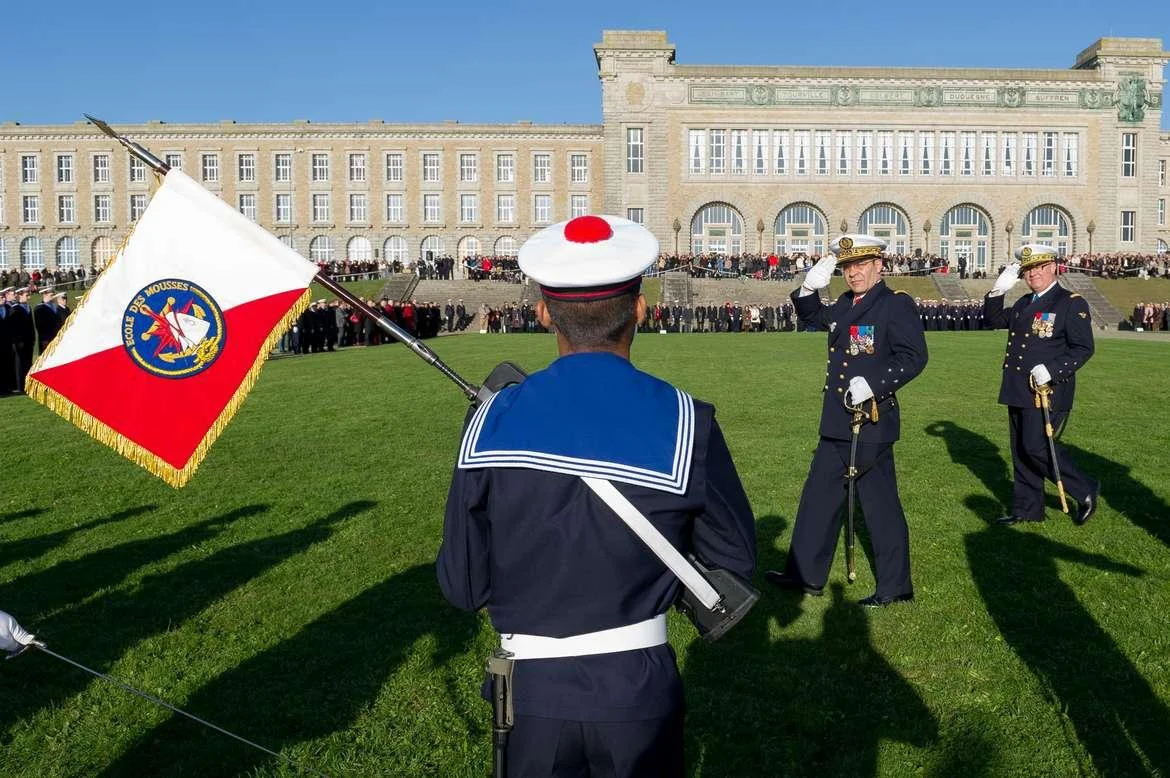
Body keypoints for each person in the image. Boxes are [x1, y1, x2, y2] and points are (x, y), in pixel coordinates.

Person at [437, 214, 756, 777]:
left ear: (541, 311)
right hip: (636, 687)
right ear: (639, 309)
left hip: (528, 695)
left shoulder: (489, 423)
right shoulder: (688, 421)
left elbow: (463, 586)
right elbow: (733, 560)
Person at [767, 234, 927, 607]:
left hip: (870, 422)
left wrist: (873, 384)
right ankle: (805, 575)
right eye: (847, 267)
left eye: (860, 265)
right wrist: (807, 287)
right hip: (837, 419)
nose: (853, 273)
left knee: (879, 504)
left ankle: (895, 585)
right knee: (817, 498)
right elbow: (811, 318)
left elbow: (913, 357)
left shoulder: (893, 304)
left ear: (878, 266)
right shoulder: (843, 303)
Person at [982, 244, 1099, 525]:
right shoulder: (1024, 303)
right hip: (1018, 386)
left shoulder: (1070, 302)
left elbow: (1083, 348)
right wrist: (997, 291)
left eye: (1037, 268)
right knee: (1021, 451)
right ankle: (1028, 510)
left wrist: (1052, 369)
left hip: (1048, 391)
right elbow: (993, 319)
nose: (1032, 274)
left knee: (1036, 446)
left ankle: (1084, 489)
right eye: (1027, 270)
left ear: (1052, 268)